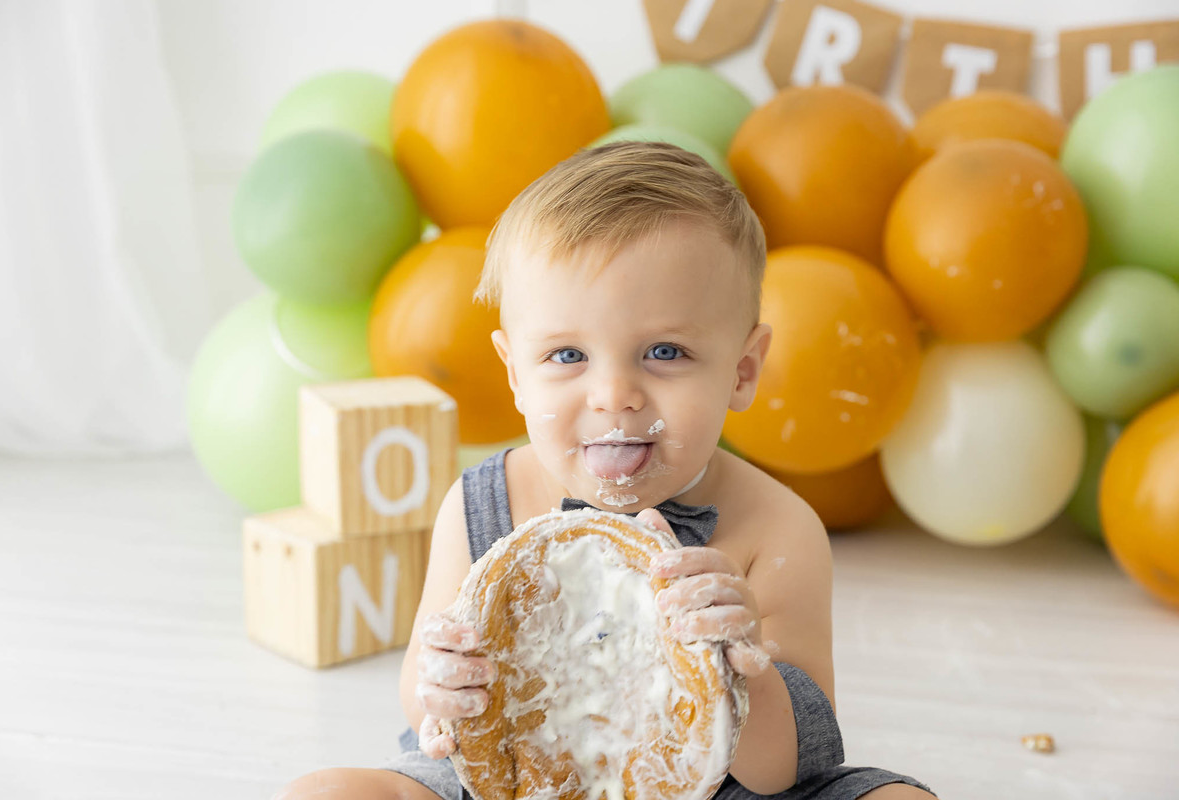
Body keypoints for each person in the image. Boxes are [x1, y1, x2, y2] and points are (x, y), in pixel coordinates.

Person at [275, 141, 935, 800]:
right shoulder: (484, 502)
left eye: (664, 352)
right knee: (324, 793)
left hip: (717, 785)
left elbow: (787, 765)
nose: (613, 395)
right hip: (514, 775)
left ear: (742, 370)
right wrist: (443, 684)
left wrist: (744, 669)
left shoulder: (778, 529)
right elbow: (425, 707)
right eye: (567, 355)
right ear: (515, 375)